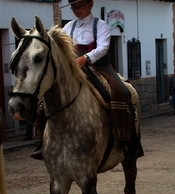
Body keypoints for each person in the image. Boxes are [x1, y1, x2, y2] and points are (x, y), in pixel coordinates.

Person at [32, 0, 144, 159]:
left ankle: (129, 141)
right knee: (47, 97)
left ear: (90, 4)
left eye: (80, 5)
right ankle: (44, 142)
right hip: (71, 70)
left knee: (123, 91)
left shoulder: (101, 25)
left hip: (99, 67)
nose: (77, 10)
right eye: (74, 7)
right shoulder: (68, 27)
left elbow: (103, 47)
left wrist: (85, 58)